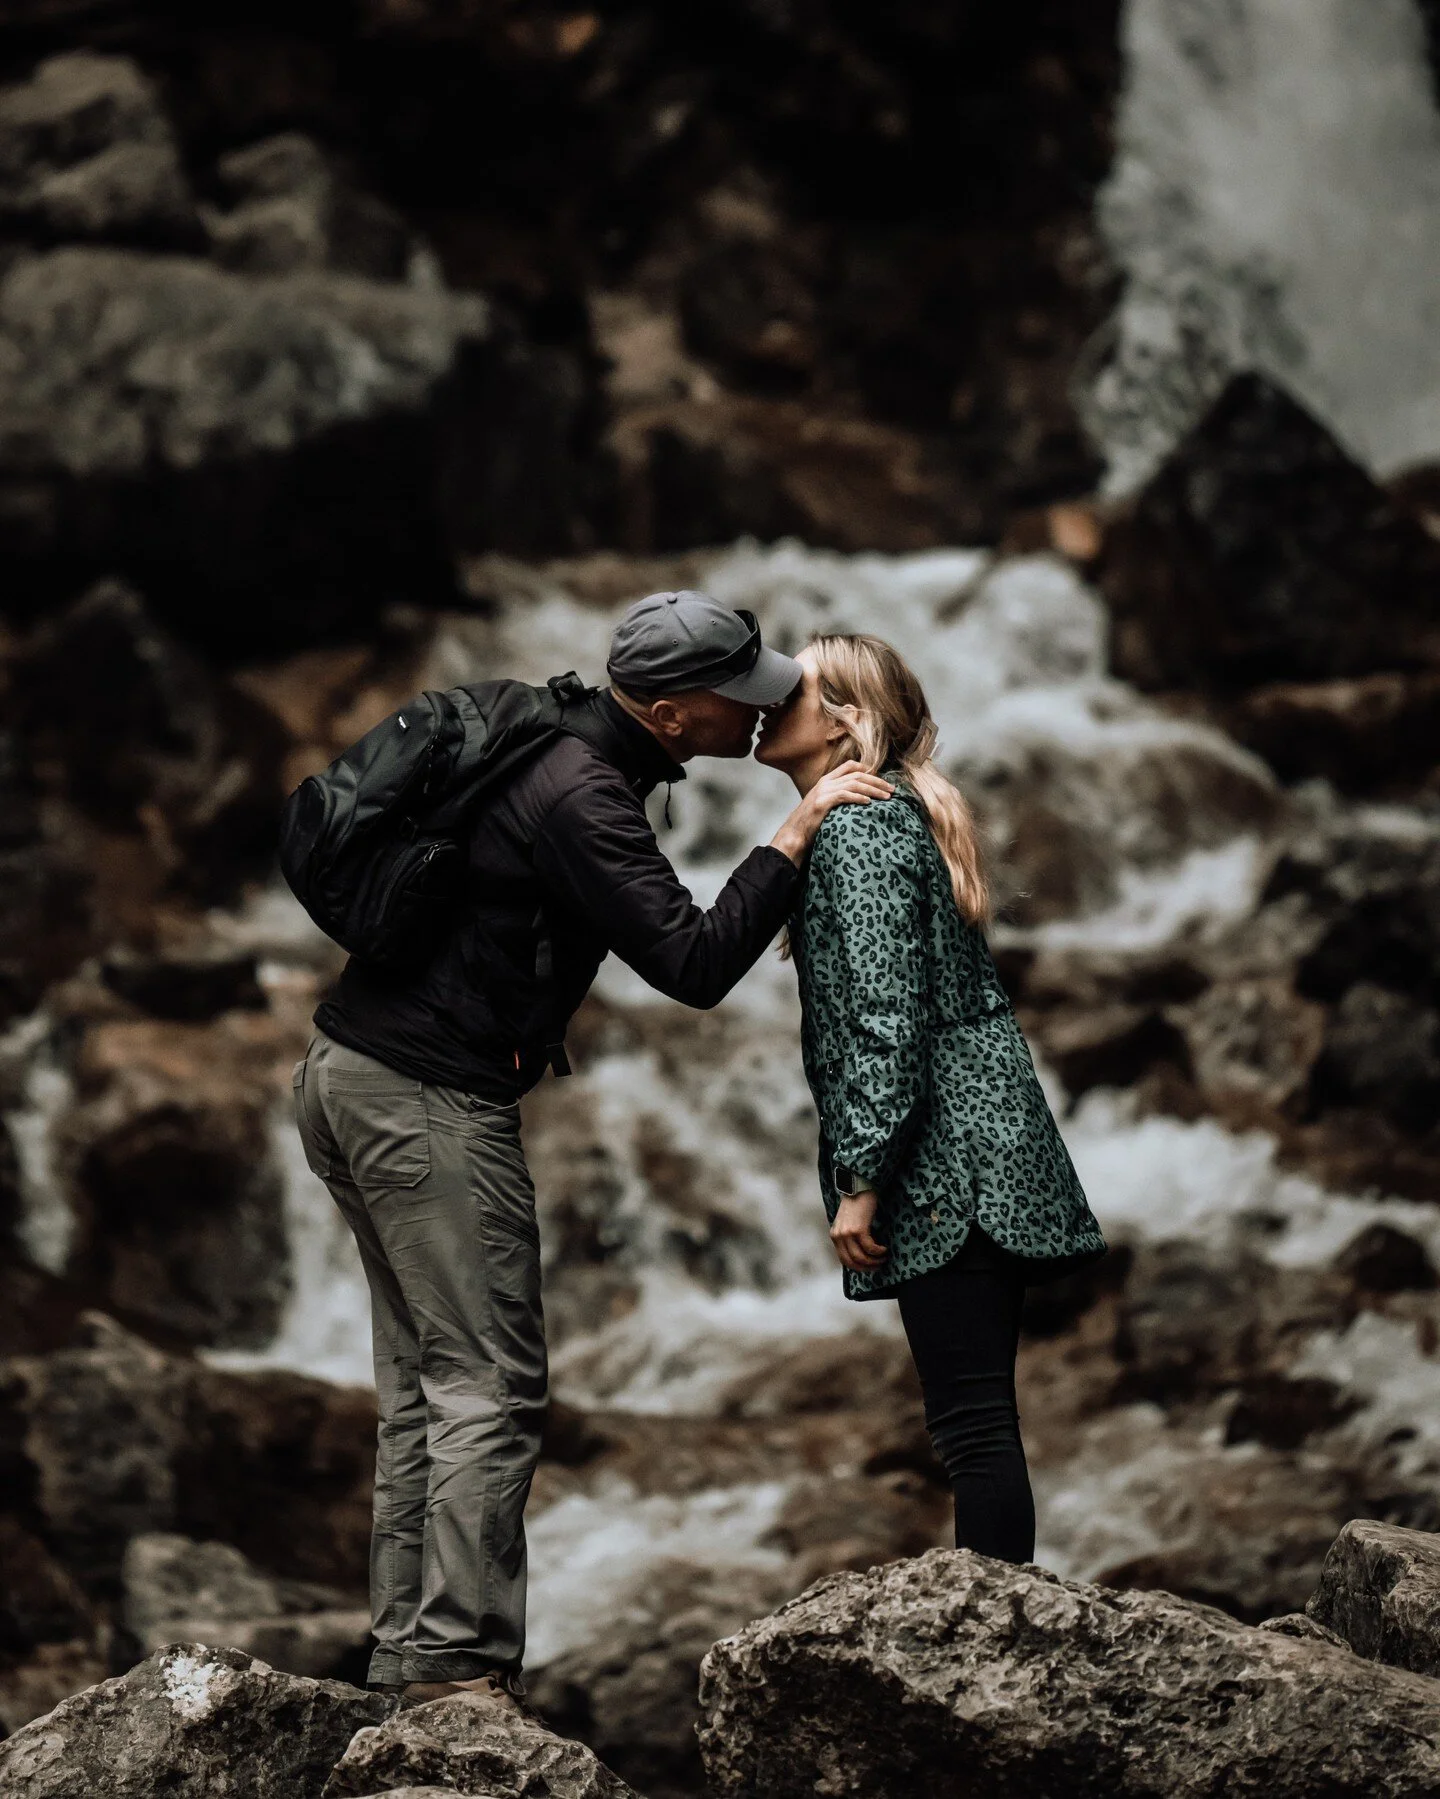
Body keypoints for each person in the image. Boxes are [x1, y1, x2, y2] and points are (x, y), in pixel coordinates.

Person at [291, 591, 891, 1710]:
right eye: (739, 696)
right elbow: (696, 963)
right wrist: (793, 835)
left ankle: (411, 1656)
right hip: (423, 1100)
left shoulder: (556, 736)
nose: (762, 709)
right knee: (490, 1386)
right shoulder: (582, 795)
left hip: (346, 1076)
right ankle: (459, 1664)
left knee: (427, 1385)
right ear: (670, 712)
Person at [755, 632, 1105, 1564]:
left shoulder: (859, 832)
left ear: (845, 725)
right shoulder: (891, 814)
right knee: (979, 1418)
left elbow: (886, 1022)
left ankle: (994, 1639)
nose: (766, 701)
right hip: (978, 1151)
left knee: (973, 1426)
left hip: (952, 1170)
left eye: (791, 690)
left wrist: (859, 1181)